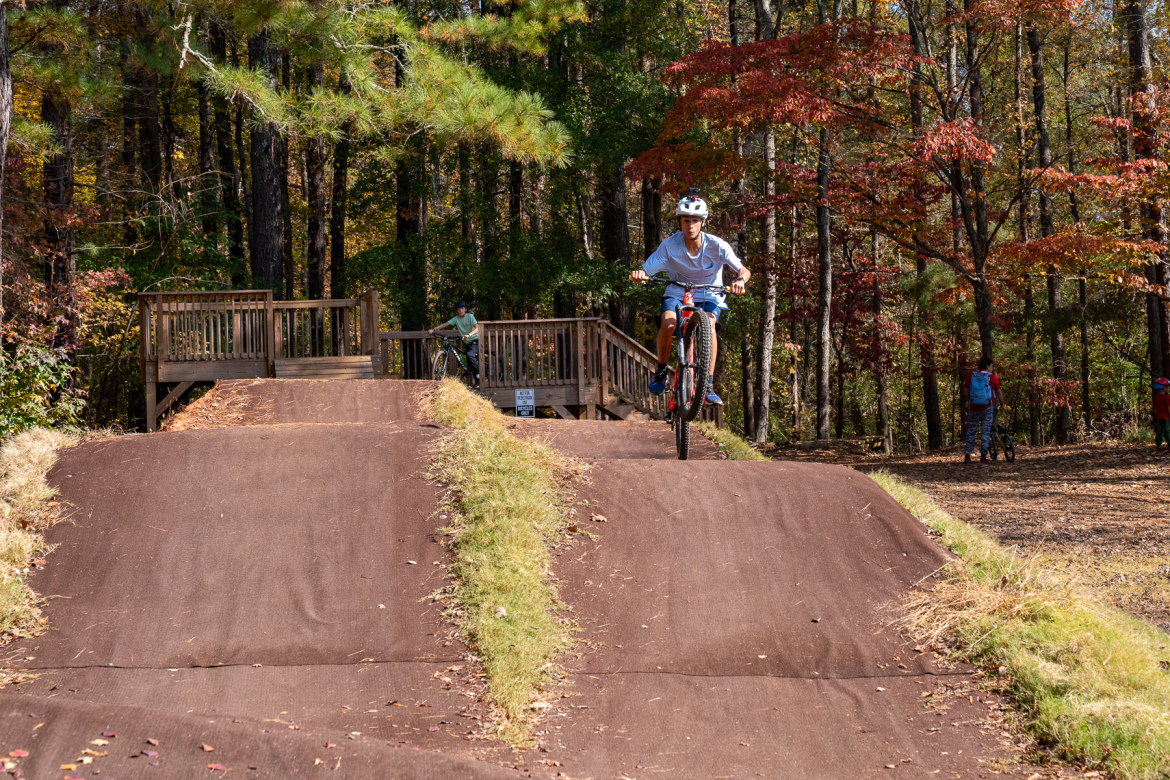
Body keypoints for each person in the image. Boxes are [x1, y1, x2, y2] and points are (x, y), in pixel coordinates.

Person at [629, 189, 750, 405]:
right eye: (686, 220)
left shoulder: (717, 246)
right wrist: (640, 275)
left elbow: (744, 270)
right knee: (668, 325)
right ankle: (661, 371)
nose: (690, 225)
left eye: (695, 220)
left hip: (709, 294)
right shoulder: (669, 246)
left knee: (710, 326)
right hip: (676, 292)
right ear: (680, 222)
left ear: (703, 222)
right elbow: (646, 270)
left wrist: (740, 281)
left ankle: (708, 385)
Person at [429, 301, 479, 384]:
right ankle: (474, 378)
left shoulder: (470, 316)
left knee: (470, 355)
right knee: (469, 360)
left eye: (462, 309)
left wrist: (469, 335)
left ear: (465, 309)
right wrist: (434, 329)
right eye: (459, 309)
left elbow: (477, 328)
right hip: (467, 342)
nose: (460, 311)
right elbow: (445, 324)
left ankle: (478, 376)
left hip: (475, 339)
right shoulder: (456, 318)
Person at [963, 356, 1001, 463]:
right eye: (991, 366)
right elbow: (998, 392)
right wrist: (1002, 404)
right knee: (985, 431)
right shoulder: (992, 377)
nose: (992, 368)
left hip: (973, 408)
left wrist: (969, 400)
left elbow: (965, 392)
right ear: (987, 366)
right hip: (987, 408)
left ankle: (967, 456)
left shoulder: (971, 376)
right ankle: (983, 457)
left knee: (971, 431)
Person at [1154, 378, 1170, 452]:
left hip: (1159, 417)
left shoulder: (1156, 397)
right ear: (1163, 388)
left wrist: (1157, 416)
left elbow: (1156, 409)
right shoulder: (1167, 397)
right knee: (1167, 431)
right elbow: (1168, 407)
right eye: (1167, 388)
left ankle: (1159, 445)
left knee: (1159, 431)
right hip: (1166, 417)